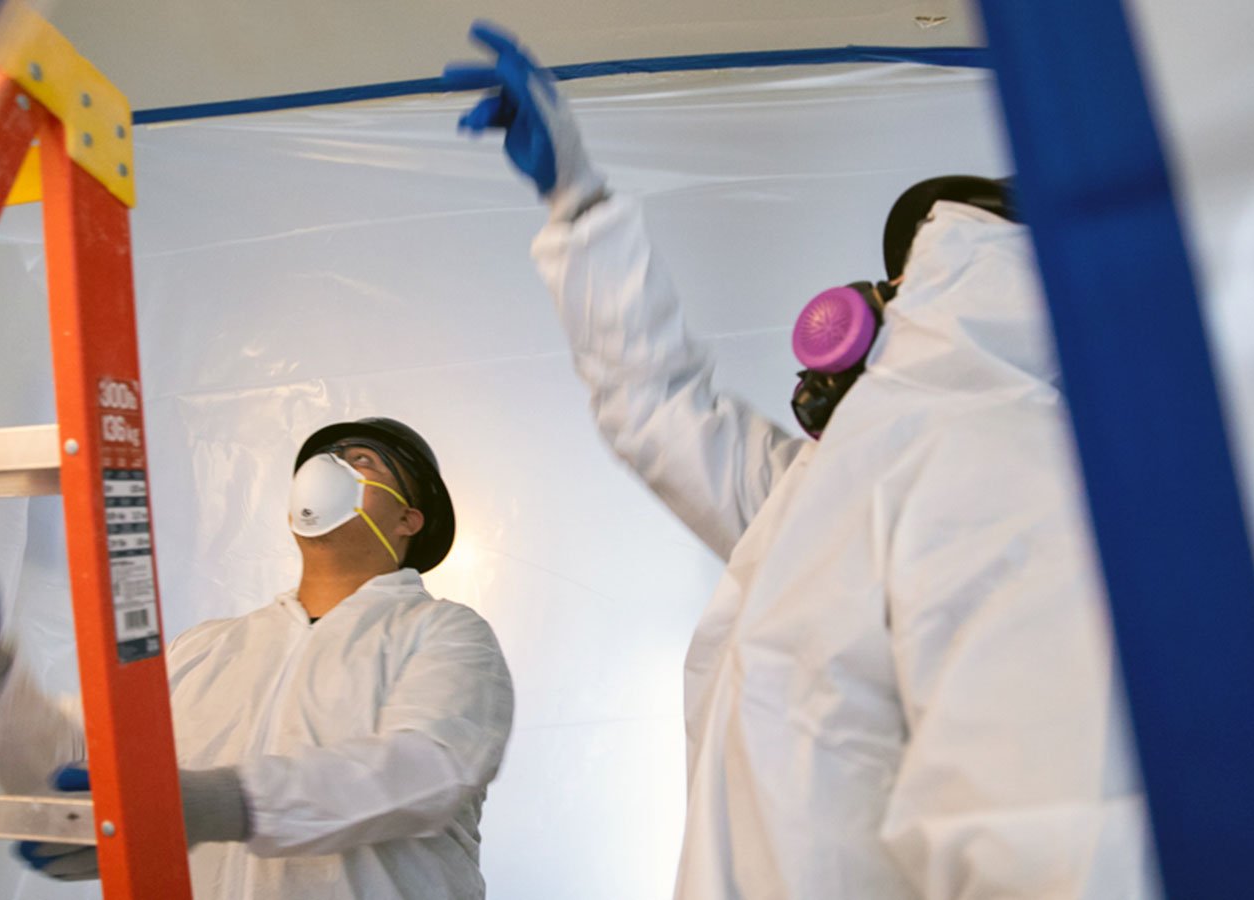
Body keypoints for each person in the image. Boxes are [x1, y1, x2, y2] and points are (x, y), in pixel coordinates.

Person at [445, 22, 1154, 899]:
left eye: (902, 276)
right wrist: (578, 206)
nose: (872, 297)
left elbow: (1050, 842)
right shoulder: (817, 496)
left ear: (950, 280)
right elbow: (654, 408)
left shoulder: (1004, 463)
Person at [0, 417, 515, 900]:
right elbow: (83, 769)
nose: (330, 468)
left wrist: (216, 804)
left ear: (408, 519)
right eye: (323, 459)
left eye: (361, 460)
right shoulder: (210, 647)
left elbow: (427, 769)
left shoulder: (444, 633)